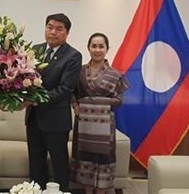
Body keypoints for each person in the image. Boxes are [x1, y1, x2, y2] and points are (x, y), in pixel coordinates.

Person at [23, 13, 82, 192]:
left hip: (56, 121)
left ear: (67, 33)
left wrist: (34, 100)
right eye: (50, 27)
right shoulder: (35, 50)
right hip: (33, 119)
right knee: (36, 165)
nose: (53, 32)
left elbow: (65, 89)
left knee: (59, 166)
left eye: (59, 29)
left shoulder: (73, 56)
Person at [70, 33, 130, 194]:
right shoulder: (79, 71)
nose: (97, 50)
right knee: (85, 157)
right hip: (83, 123)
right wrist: (75, 105)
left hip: (105, 124)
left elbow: (119, 100)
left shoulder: (115, 74)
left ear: (107, 49)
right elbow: (72, 93)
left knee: (103, 159)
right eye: (94, 46)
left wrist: (95, 102)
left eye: (101, 46)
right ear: (88, 48)